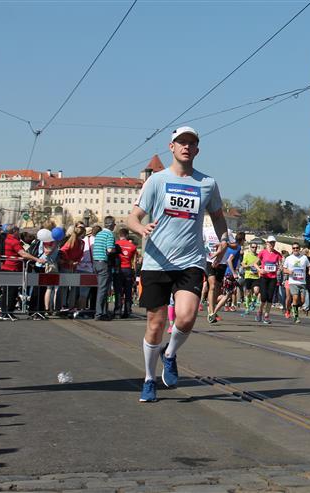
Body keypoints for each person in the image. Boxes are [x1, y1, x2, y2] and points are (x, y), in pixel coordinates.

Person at [127, 126, 228, 403]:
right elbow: (132, 217)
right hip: (157, 261)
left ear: (197, 150)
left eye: (191, 143)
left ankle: (169, 354)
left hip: (190, 260)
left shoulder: (207, 183)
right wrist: (141, 228)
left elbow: (218, 217)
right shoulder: (156, 181)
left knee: (186, 316)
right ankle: (149, 379)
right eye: (181, 142)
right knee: (155, 324)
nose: (186, 147)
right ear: (171, 147)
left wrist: (224, 238)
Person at [0, 226, 41, 318]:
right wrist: (36, 259)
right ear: (14, 231)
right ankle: (8, 312)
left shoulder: (7, 239)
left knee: (6, 291)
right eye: (18, 231)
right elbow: (23, 254)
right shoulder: (14, 241)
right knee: (12, 292)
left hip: (7, 267)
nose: (19, 233)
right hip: (13, 269)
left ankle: (5, 311)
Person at [253, 236, 282, 324]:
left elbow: (280, 265)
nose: (272, 244)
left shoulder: (277, 254)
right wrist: (260, 270)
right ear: (267, 243)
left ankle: (266, 316)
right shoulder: (263, 252)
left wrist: (279, 268)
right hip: (264, 277)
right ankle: (259, 311)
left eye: (273, 243)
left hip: (273, 278)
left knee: (270, 298)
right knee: (264, 297)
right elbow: (255, 263)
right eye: (270, 242)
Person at [93, 216, 116, 320]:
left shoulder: (99, 234)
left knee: (101, 288)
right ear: (111, 225)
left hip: (96, 262)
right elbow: (110, 250)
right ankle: (99, 313)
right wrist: (116, 250)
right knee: (103, 289)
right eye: (114, 224)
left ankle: (103, 311)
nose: (115, 226)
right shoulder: (109, 234)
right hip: (103, 262)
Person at [283, 242, 310, 323]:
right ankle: (296, 317)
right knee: (295, 298)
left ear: (299, 249)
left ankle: (294, 306)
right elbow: (284, 269)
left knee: (302, 301)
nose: (295, 249)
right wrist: (289, 272)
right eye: (294, 248)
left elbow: (309, 266)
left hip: (302, 282)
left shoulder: (304, 258)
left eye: (297, 248)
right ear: (292, 249)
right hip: (293, 282)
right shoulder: (289, 258)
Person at [114, 228, 138, 318]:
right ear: (127, 235)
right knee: (128, 292)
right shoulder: (132, 246)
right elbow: (134, 261)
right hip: (128, 269)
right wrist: (135, 272)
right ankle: (127, 311)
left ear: (119, 235)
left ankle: (117, 312)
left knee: (118, 291)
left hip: (118, 269)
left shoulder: (115, 244)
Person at [241, 241, 261, 315]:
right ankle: (247, 307)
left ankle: (253, 302)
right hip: (248, 276)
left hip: (256, 276)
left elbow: (261, 265)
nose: (254, 248)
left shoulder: (258, 256)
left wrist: (258, 267)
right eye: (253, 247)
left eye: (256, 247)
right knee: (248, 293)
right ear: (250, 247)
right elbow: (243, 265)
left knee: (256, 291)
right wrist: (249, 265)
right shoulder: (247, 255)